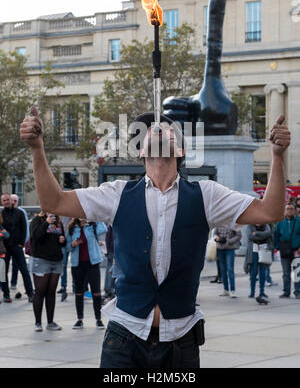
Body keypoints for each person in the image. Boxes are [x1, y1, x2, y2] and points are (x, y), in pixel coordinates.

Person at [20, 108, 290, 368]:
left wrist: (277, 157)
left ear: (181, 150)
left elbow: (271, 211)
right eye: (151, 130)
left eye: (167, 129)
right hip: (124, 336)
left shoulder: (206, 195)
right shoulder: (117, 194)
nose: (158, 129)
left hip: (181, 339)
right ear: (141, 149)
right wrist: (36, 148)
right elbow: (53, 201)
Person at [66, 218, 106, 330]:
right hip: (78, 264)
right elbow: (67, 247)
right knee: (79, 292)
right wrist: (73, 244)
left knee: (96, 292)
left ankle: (98, 319)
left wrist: (94, 216)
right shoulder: (72, 228)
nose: (82, 217)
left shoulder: (92, 226)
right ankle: (80, 319)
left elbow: (103, 229)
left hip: (93, 263)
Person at [29, 212, 65, 331]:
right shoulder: (37, 220)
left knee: (51, 292)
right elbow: (36, 237)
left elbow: (62, 239)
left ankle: (50, 322)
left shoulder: (58, 222)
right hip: (41, 260)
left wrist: (62, 240)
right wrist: (46, 223)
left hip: (56, 260)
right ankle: (37, 323)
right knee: (40, 291)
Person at [1, 193, 34, 303]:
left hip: (17, 246)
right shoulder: (1, 214)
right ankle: (6, 294)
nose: (6, 202)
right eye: (4, 200)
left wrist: (21, 243)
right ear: (2, 202)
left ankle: (30, 293)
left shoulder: (19, 213)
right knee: (3, 272)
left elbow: (25, 229)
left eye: (8, 200)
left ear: (11, 200)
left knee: (24, 270)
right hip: (4, 248)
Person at [274, 203, 300, 299]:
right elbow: (276, 235)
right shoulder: (280, 222)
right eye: (287, 208)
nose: (289, 210)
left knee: (297, 272)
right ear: (284, 210)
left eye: (291, 209)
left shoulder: (298, 221)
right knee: (286, 273)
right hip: (284, 251)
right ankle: (286, 291)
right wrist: (277, 247)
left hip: (297, 251)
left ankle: (298, 291)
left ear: (295, 210)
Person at [244, 224, 272, 303]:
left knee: (262, 272)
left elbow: (268, 234)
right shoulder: (249, 226)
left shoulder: (266, 225)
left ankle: (262, 292)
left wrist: (256, 233)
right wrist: (262, 235)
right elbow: (250, 237)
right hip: (253, 251)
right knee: (253, 272)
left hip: (263, 249)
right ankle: (252, 292)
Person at [213, 226, 241, 298]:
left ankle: (232, 290)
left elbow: (239, 235)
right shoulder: (219, 222)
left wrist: (228, 241)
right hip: (220, 248)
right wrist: (216, 238)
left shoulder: (233, 223)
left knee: (230, 269)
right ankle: (225, 290)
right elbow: (215, 233)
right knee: (223, 270)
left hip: (230, 249)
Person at [10, 194, 30, 291]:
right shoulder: (5, 212)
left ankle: (14, 282)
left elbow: (25, 228)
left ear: (18, 201)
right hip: (7, 245)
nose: (13, 202)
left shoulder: (22, 212)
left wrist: (23, 242)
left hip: (17, 244)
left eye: (15, 201)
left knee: (17, 264)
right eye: (12, 200)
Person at [103, 224, 116, 301]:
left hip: (112, 250)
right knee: (111, 270)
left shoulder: (111, 225)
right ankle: (110, 289)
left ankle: (108, 289)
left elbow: (107, 239)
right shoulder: (112, 225)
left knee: (110, 269)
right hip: (114, 250)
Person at [0, 214, 10, 303]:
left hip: (1, 253)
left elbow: (7, 235)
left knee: (2, 276)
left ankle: (6, 295)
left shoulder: (0, 226)